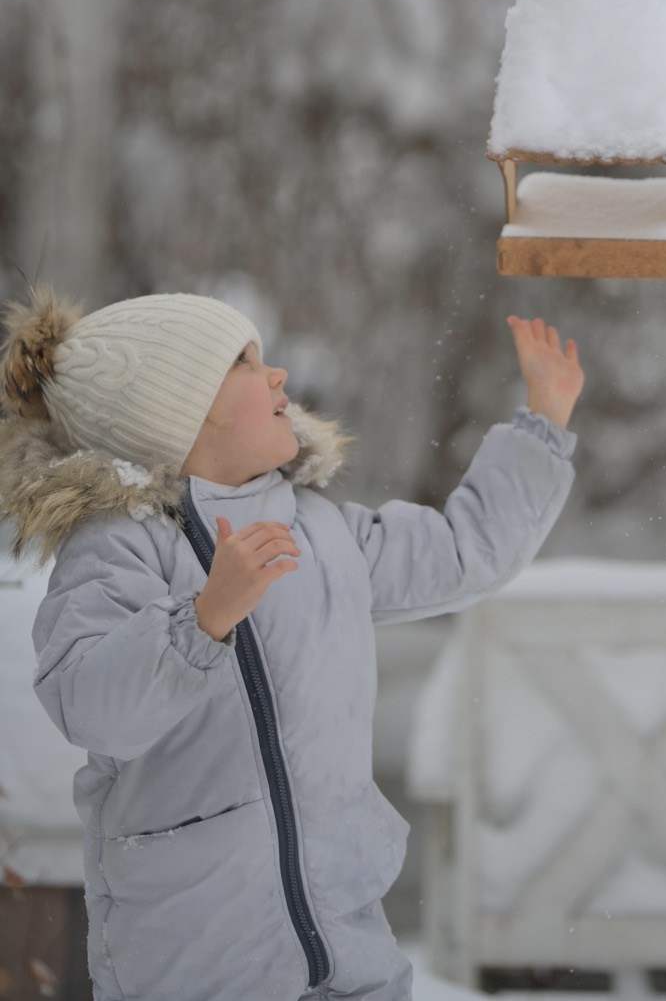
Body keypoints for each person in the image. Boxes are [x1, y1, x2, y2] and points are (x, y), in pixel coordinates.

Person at [0, 287, 584, 1001]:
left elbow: (466, 550)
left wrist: (544, 422)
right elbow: (90, 704)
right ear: (172, 408)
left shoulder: (322, 531)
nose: (276, 376)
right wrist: (203, 618)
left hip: (348, 942)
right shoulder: (120, 546)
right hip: (196, 952)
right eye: (244, 362)